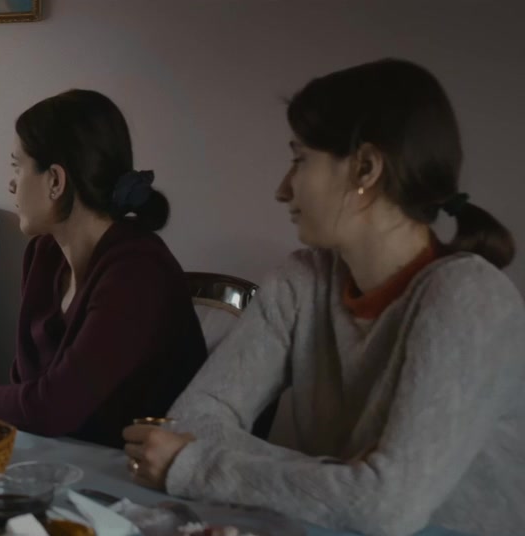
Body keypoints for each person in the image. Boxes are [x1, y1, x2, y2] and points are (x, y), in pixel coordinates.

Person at [123, 59, 525, 536]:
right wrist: (346, 482)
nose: (282, 189)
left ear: (366, 168)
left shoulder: (470, 299)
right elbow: (191, 422)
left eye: (300, 159)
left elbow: (386, 506)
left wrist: (196, 465)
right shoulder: (303, 280)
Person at [0, 89, 208, 448]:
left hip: (137, 471)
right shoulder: (44, 255)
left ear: (55, 181)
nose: (11, 183)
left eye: (17, 167)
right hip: (63, 457)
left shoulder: (137, 272)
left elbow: (50, 407)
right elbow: (26, 389)